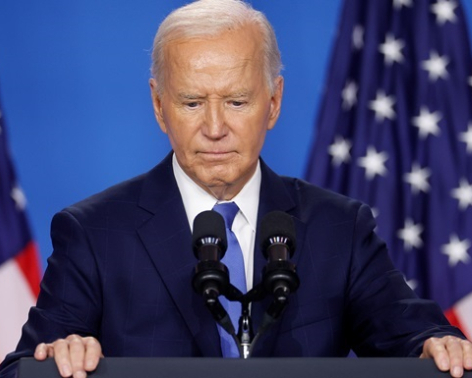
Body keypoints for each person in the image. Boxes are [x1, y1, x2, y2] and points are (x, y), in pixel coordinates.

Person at [1, 0, 472, 377]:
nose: (214, 127)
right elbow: (21, 367)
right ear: (159, 105)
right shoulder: (95, 233)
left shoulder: (338, 228)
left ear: (273, 101)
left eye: (236, 101)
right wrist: (60, 353)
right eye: (191, 102)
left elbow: (412, 335)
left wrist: (436, 343)